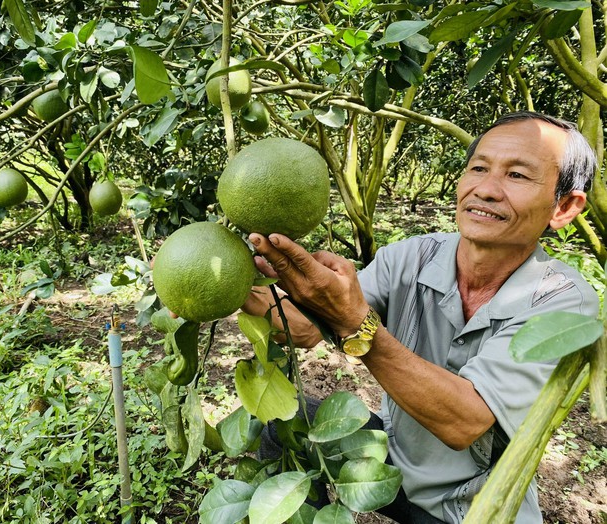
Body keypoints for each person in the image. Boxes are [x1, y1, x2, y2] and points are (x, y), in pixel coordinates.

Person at [242, 111, 599, 523]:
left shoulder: (563, 303)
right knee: (284, 426)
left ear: (565, 206)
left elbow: (465, 421)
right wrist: (235, 289)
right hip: (391, 463)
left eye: (517, 175)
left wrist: (356, 324)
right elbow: (305, 327)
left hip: (472, 507)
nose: (485, 189)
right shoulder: (412, 256)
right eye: (478, 168)